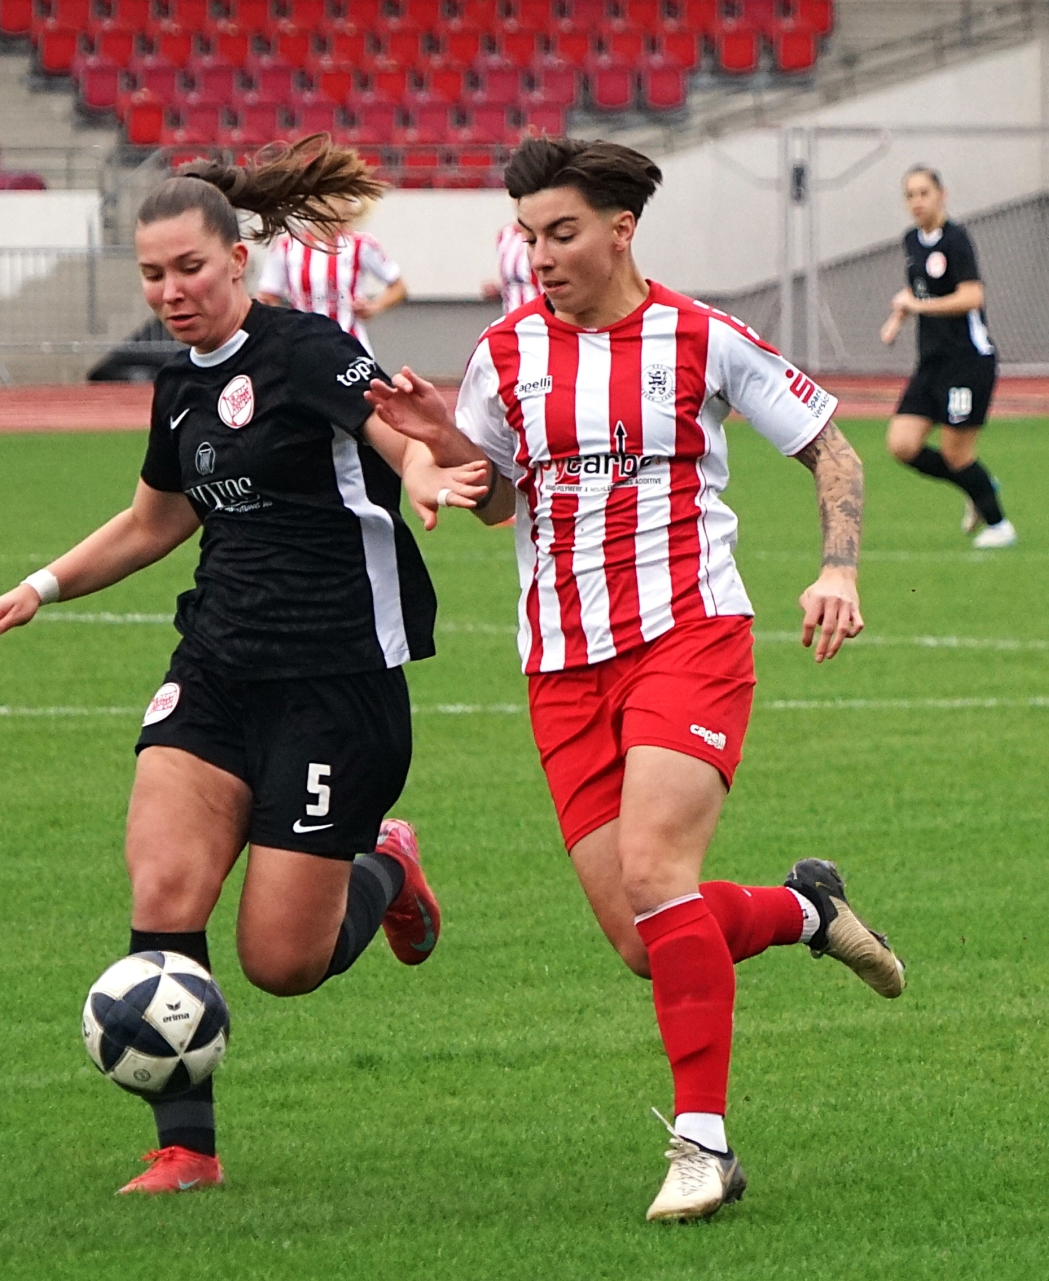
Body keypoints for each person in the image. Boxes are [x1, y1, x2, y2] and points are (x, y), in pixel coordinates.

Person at [365, 138, 908, 1225]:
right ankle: (807, 910)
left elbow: (835, 452)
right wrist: (443, 453)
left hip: (687, 635)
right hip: (561, 664)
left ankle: (705, 1145)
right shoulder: (505, 354)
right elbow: (499, 498)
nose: (541, 257)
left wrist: (838, 568)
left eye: (561, 233)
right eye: (529, 236)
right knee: (641, 939)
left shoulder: (702, 338)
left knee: (659, 871)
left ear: (621, 231)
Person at [0, 137, 487, 1196]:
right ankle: (186, 1148)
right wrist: (38, 587)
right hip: (217, 667)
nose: (171, 292)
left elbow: (393, 432)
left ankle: (388, 865)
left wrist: (426, 470)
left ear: (238, 259)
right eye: (153, 275)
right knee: (162, 882)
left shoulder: (306, 348)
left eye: (189, 268)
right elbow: (155, 520)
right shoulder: (177, 389)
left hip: (336, 684)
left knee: (282, 964)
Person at [878, 165, 1014, 549]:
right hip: (931, 362)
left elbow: (972, 296)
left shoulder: (957, 240)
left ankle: (1000, 526)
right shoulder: (911, 241)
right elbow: (918, 289)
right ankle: (976, 484)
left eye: (924, 193)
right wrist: (897, 318)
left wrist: (919, 307)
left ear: (942, 195)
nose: (917, 202)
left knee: (957, 454)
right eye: (910, 195)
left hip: (967, 361)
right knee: (902, 445)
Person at [255, 202, 406, 359]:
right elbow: (267, 298)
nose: (332, 204)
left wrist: (373, 307)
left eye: (340, 198)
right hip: (303, 346)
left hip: (350, 346)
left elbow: (399, 287)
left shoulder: (361, 244)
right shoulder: (286, 247)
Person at [480, 220, 541, 315]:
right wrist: (498, 290)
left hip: (539, 312)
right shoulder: (506, 234)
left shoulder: (542, 235)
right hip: (512, 312)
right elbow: (510, 280)